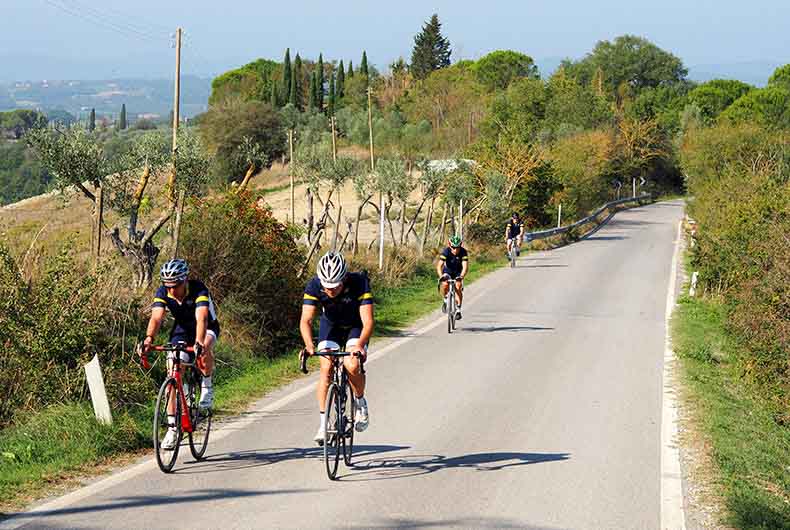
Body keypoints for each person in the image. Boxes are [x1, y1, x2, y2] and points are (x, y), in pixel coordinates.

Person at [143, 259, 220, 450]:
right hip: (182, 331)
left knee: (203, 350)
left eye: (175, 286)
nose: (171, 290)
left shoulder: (198, 289)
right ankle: (172, 428)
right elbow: (156, 317)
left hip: (207, 328)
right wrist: (148, 339)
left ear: (184, 281)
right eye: (167, 286)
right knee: (171, 373)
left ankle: (207, 385)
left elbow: (202, 318)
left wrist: (199, 343)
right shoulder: (163, 293)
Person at [300, 251, 373, 445]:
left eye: (335, 286)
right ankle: (323, 424)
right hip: (330, 326)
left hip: (355, 326)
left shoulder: (359, 283)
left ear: (344, 278)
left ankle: (360, 401)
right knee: (326, 369)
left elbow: (368, 322)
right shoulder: (314, 286)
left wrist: (359, 346)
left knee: (351, 365)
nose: (330, 291)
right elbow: (306, 320)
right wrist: (309, 345)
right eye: (327, 287)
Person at [437, 235, 469, 320]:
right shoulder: (446, 252)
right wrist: (441, 276)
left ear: (460, 245)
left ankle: (458, 310)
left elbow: (465, 267)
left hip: (458, 272)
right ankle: (445, 299)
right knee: (445, 284)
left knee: (458, 287)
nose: (456, 249)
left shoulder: (463, 252)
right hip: (447, 271)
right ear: (449, 245)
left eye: (458, 247)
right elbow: (439, 266)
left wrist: (461, 276)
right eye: (453, 247)